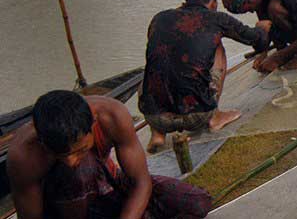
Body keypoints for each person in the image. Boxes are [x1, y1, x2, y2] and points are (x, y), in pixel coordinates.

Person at [8, 91, 212, 219]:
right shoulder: (23, 156)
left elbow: (141, 183)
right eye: (60, 155)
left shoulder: (112, 116)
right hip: (62, 207)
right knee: (79, 171)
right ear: (42, 142)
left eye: (78, 150)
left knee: (196, 203)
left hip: (108, 189)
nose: (70, 160)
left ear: (93, 125)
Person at [138, 0, 271, 153]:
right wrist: (261, 28)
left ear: (185, 1)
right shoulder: (216, 19)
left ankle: (157, 134)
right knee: (217, 48)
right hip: (198, 116)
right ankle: (214, 116)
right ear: (213, 4)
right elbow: (256, 40)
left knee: (159, 61)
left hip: (154, 116)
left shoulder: (159, 18)